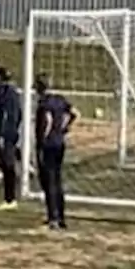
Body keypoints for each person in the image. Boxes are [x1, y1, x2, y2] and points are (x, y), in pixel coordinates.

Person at [34, 75, 77, 230]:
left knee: (49, 181)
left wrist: (42, 140)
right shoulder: (60, 99)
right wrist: (64, 128)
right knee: (57, 180)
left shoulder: (43, 104)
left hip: (48, 146)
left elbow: (47, 120)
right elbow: (74, 113)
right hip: (59, 144)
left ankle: (53, 217)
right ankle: (61, 216)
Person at [0, 67, 23, 210]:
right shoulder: (14, 92)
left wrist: (2, 134)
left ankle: (10, 199)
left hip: (8, 132)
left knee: (8, 164)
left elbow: (4, 114)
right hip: (14, 130)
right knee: (6, 160)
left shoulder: (4, 93)